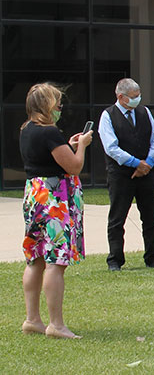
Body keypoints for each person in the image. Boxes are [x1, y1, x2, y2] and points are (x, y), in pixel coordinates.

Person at [19, 83, 93, 339]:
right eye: (58, 104)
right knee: (55, 261)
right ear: (47, 106)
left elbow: (48, 159)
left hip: (35, 196)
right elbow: (73, 167)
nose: (60, 108)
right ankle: (57, 325)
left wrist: (68, 144)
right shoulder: (49, 132)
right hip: (54, 201)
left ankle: (32, 319)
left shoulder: (27, 130)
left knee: (36, 258)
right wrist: (82, 145)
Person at [98, 78, 154, 271]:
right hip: (120, 175)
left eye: (138, 96)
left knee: (151, 217)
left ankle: (153, 258)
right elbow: (111, 148)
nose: (138, 100)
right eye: (134, 97)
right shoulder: (108, 116)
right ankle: (115, 260)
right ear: (121, 97)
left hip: (147, 173)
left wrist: (148, 163)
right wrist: (135, 163)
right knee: (117, 218)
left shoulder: (145, 112)